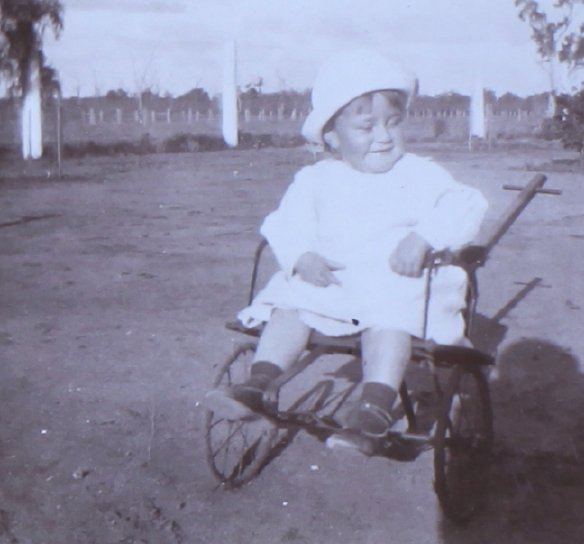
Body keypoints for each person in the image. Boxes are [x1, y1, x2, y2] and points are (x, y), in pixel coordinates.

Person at [204, 49, 488, 454]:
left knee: (389, 322)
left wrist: (424, 236)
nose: (384, 137)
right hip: (338, 282)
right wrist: (302, 254)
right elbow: (285, 222)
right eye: (366, 127)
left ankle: (373, 409)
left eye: (392, 123)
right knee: (292, 304)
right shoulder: (316, 179)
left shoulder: (419, 173)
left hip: (398, 283)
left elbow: (466, 204)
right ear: (332, 138)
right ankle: (258, 383)